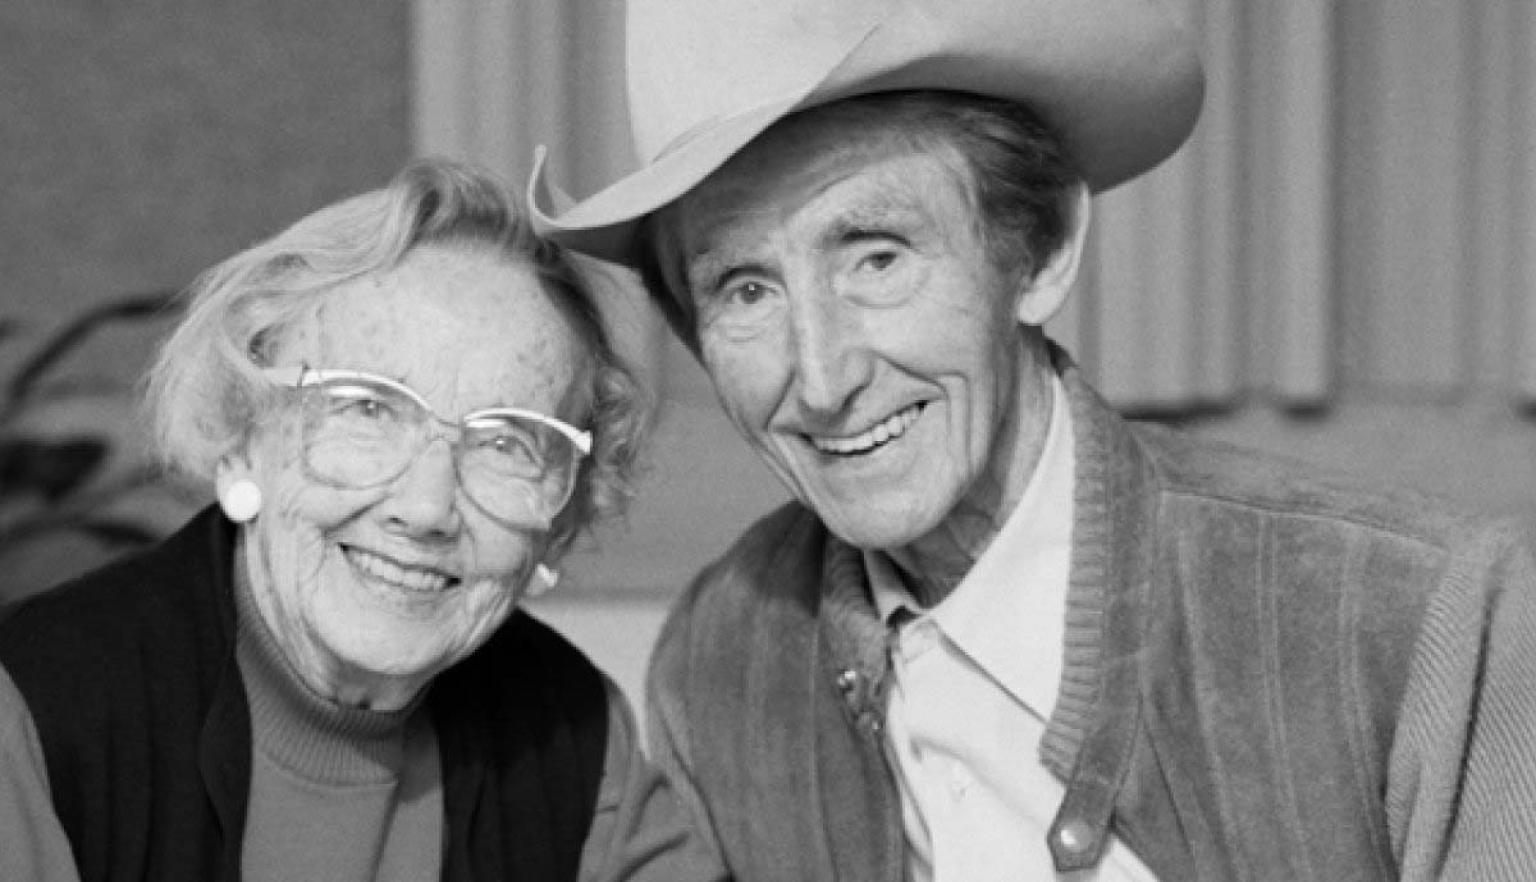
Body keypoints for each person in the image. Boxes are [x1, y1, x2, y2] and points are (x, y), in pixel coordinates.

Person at [529, 0, 1536, 879]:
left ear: (1041, 249)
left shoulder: (1419, 622)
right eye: (746, 291)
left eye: (878, 257)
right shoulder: (723, 663)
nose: (825, 380)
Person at [0, 159, 726, 882]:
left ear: (561, 518)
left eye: (507, 442)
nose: (427, 508)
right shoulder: (33, 716)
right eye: (368, 409)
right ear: (243, 435)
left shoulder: (572, 739)